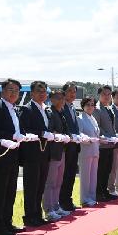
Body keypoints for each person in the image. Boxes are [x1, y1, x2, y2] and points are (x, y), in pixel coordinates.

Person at [0, 78, 25, 235]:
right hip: (1, 157)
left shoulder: (15, 109)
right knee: (0, 193)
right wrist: (11, 136)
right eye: (10, 90)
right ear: (2, 91)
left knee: (10, 192)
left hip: (14, 156)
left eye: (16, 90)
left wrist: (22, 136)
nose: (13, 93)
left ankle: (7, 222)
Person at [19, 80, 54, 227]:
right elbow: (24, 129)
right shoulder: (27, 109)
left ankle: (37, 214)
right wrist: (42, 133)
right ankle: (30, 216)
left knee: (40, 186)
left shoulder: (46, 109)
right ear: (32, 93)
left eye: (44, 91)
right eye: (39, 91)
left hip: (44, 153)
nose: (42, 94)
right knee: (31, 187)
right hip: (32, 154)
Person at [42, 89, 72, 222]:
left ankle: (56, 205)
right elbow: (50, 130)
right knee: (51, 182)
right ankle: (49, 209)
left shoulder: (61, 113)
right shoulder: (50, 112)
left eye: (62, 98)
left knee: (59, 181)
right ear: (51, 99)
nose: (61, 101)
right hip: (53, 151)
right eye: (57, 98)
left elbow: (65, 129)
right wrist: (60, 136)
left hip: (62, 150)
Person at [92, 85, 118, 202]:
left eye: (109, 94)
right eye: (104, 94)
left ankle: (104, 191)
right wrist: (108, 136)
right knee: (101, 170)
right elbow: (97, 127)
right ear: (99, 95)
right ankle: (99, 193)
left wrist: (115, 136)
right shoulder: (97, 109)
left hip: (110, 144)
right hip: (102, 145)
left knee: (107, 169)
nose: (107, 97)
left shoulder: (108, 108)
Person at [59, 82, 81, 212]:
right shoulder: (61, 107)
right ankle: (62, 202)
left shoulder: (72, 107)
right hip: (65, 146)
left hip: (74, 146)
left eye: (74, 92)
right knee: (64, 175)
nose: (72, 94)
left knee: (71, 174)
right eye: (70, 91)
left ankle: (68, 200)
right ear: (64, 93)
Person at [77, 96, 100, 207]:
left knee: (93, 176)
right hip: (85, 150)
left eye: (92, 105)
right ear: (83, 106)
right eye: (88, 104)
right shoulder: (80, 118)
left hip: (95, 150)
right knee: (85, 176)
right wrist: (88, 138)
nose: (90, 107)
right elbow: (79, 133)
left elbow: (96, 133)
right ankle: (85, 199)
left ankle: (92, 197)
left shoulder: (93, 118)